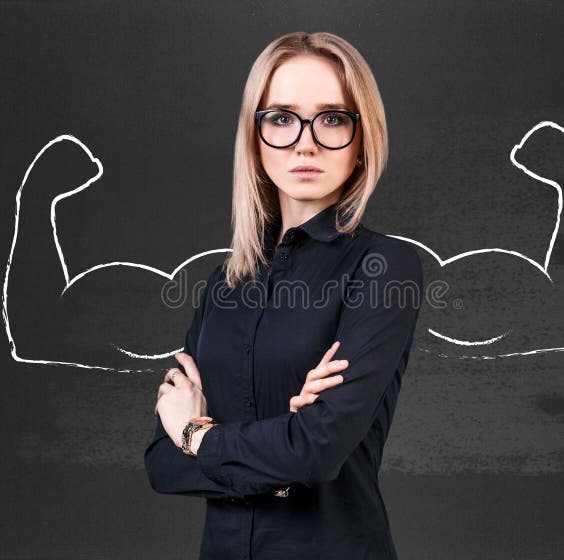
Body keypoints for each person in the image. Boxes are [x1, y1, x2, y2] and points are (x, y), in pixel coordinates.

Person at [145, 31, 423, 560]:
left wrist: (198, 436)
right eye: (281, 118)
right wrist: (278, 453)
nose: (305, 142)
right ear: (255, 136)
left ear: (364, 137)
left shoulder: (384, 266)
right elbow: (162, 461)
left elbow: (317, 453)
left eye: (333, 118)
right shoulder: (222, 283)